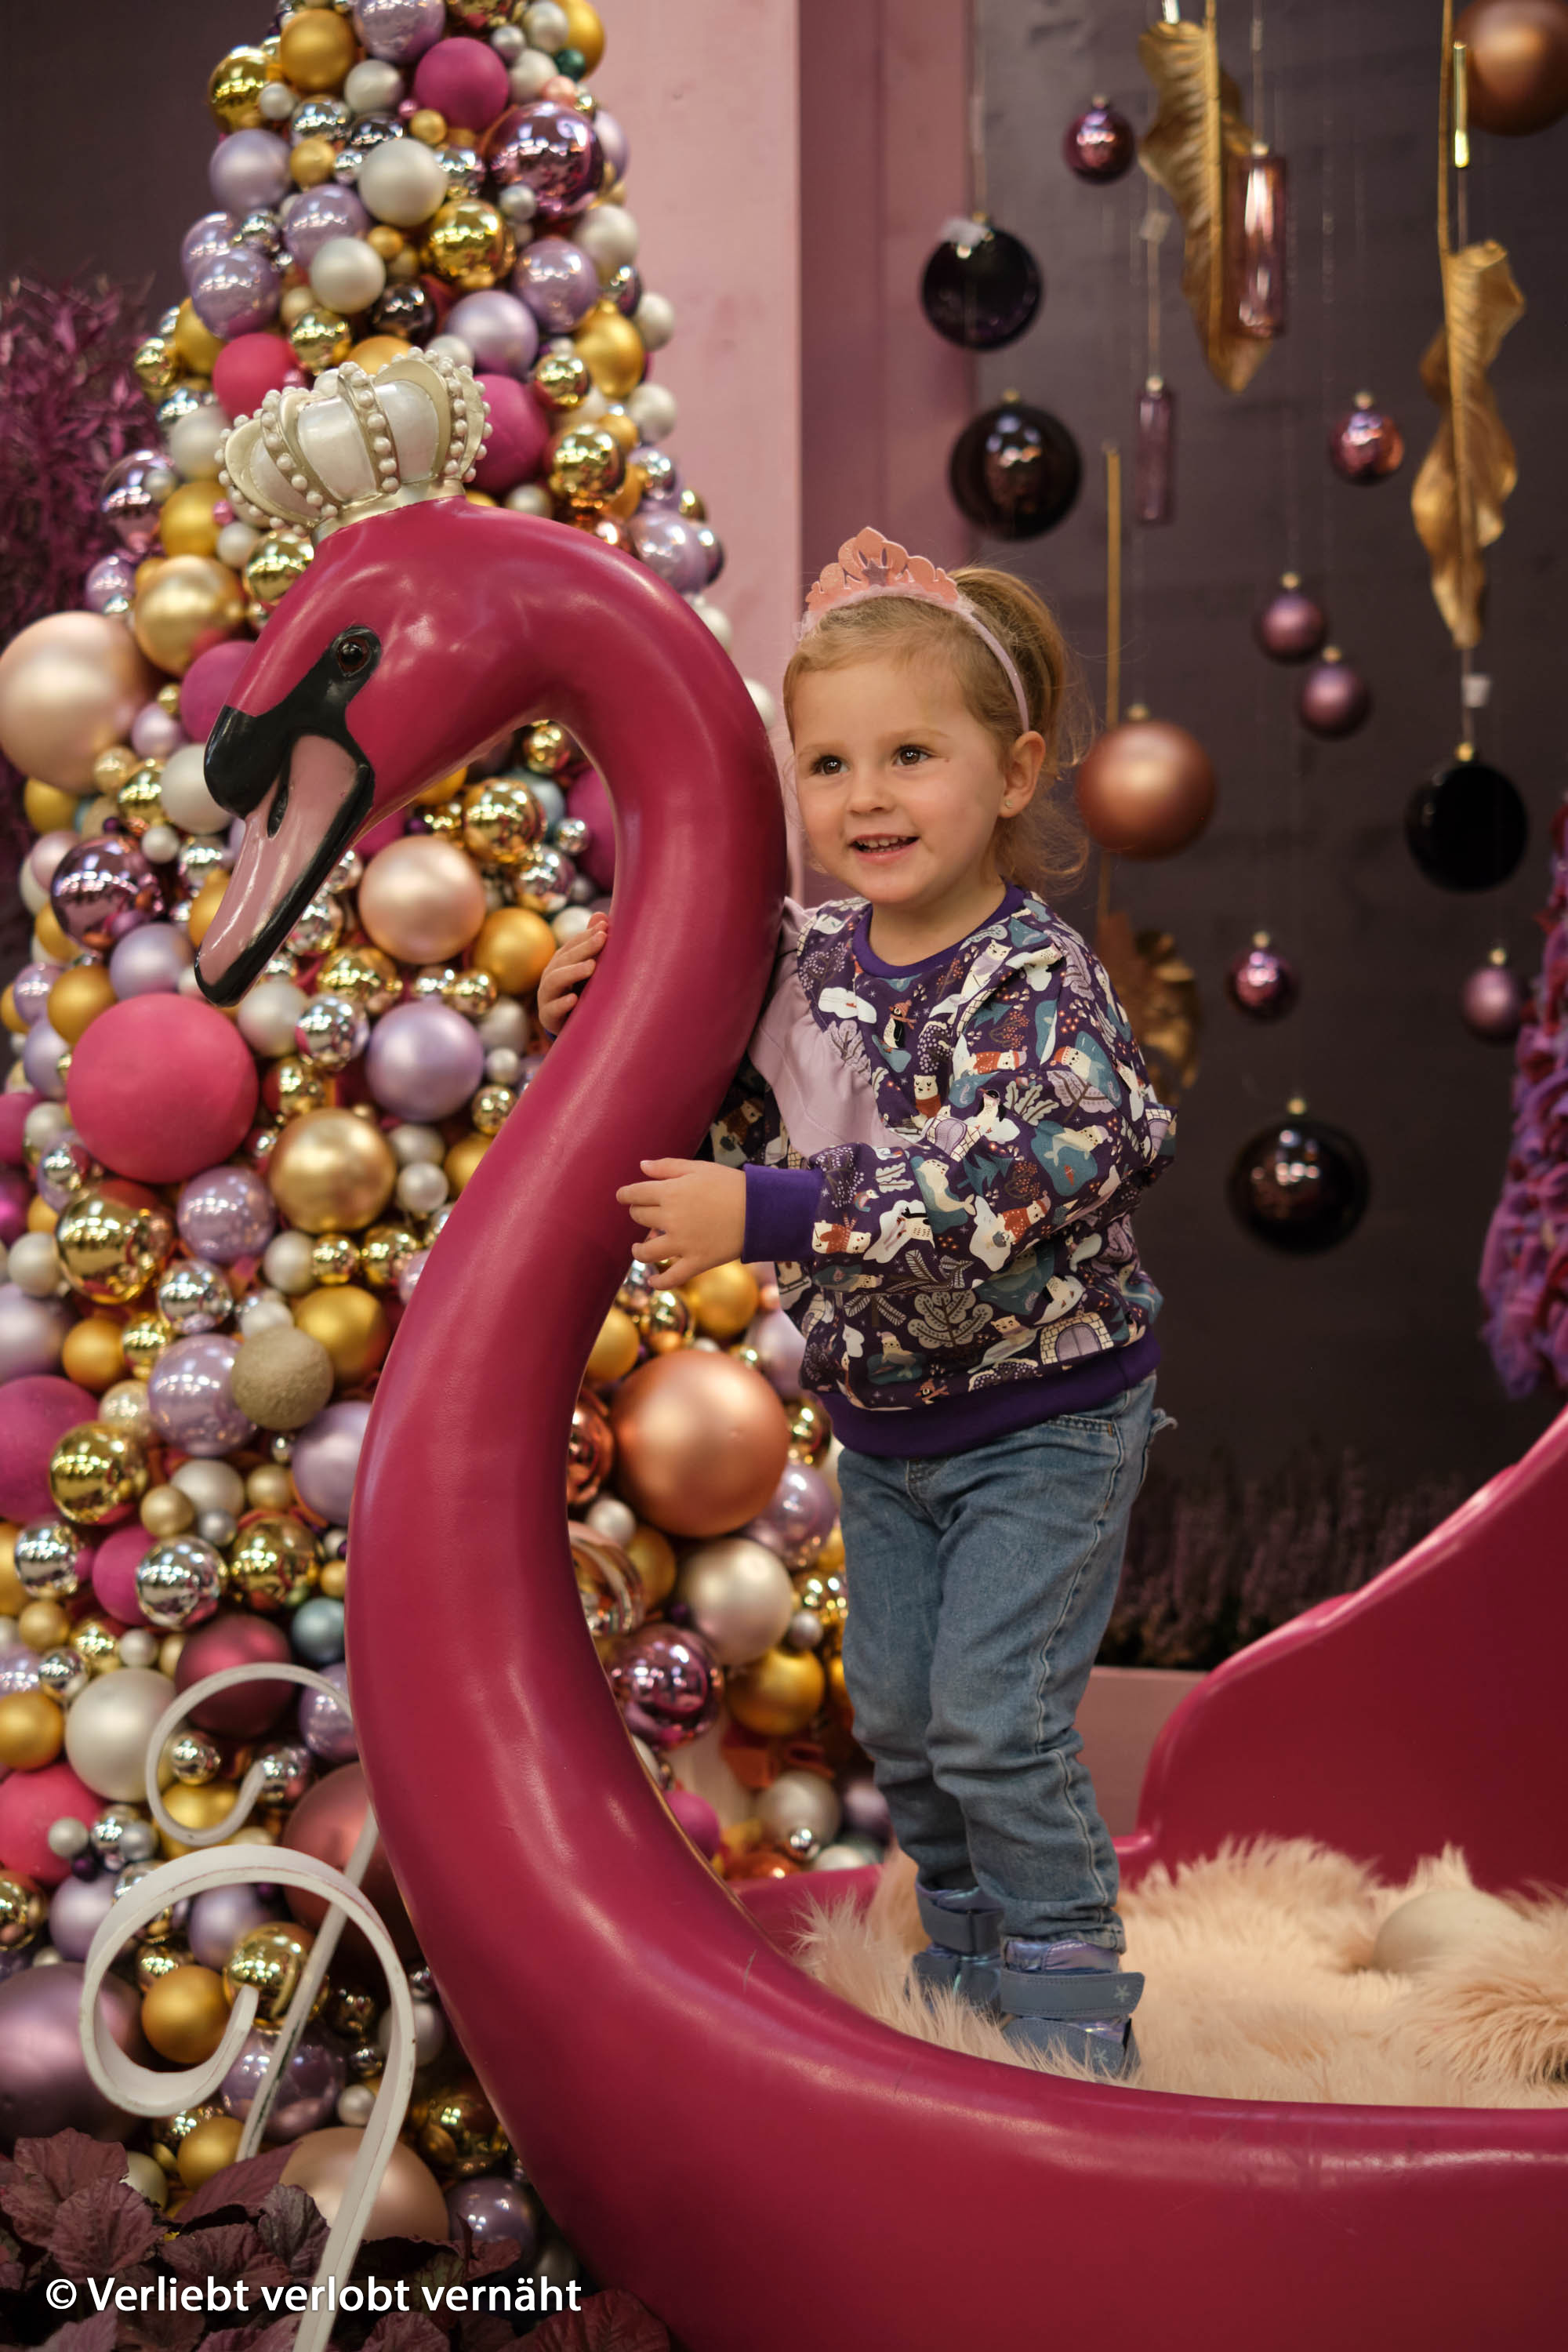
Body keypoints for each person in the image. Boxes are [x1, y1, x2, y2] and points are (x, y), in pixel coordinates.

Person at [539, 526, 1178, 2079]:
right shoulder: (801, 959)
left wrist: (766, 1212)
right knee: (896, 1722)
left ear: (1014, 774)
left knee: (994, 1719)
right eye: (828, 765)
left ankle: (1069, 2008)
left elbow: (1036, 1160)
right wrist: (598, 1000)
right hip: (887, 1432)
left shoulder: (1032, 980)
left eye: (910, 755)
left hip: (1044, 1419)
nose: (866, 798)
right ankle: (964, 1963)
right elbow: (723, 1079)